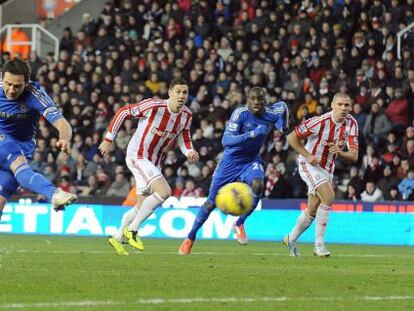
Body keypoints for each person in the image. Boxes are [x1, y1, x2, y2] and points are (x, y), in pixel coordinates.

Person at [178, 87, 289, 255]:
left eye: (259, 101)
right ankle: (190, 238)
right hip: (230, 163)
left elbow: (283, 107)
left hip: (250, 161)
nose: (256, 104)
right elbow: (226, 141)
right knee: (210, 203)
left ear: (265, 102)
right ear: (247, 101)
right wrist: (252, 133)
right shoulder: (240, 114)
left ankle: (239, 223)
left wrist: (283, 125)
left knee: (258, 186)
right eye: (253, 101)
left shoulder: (271, 111)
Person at [99, 78, 199, 255]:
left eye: (185, 92)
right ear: (169, 92)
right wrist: (108, 139)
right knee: (165, 192)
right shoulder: (154, 106)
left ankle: (118, 236)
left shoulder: (186, 116)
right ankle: (133, 230)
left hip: (154, 161)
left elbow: (184, 138)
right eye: (178, 91)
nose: (182, 95)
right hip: (137, 155)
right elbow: (123, 112)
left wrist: (189, 151)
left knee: (141, 204)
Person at [0, 59, 77, 221]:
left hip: (23, 146)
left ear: (26, 83)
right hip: (3, 139)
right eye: (8, 84)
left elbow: (62, 123)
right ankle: (53, 193)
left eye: (17, 86)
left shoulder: (36, 95)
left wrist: (64, 139)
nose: (11, 90)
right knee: (13, 155)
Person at [283, 92, 359, 257]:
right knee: (328, 195)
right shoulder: (319, 122)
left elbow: (354, 156)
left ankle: (291, 238)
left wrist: (341, 152)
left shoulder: (352, 124)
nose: (343, 108)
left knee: (311, 210)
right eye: (340, 104)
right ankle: (319, 245)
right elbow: (291, 138)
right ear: (332, 105)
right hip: (309, 163)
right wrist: (307, 155)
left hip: (327, 169)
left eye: (347, 105)